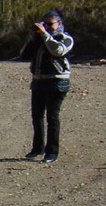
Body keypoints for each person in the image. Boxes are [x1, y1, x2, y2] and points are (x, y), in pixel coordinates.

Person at [22, 10, 73, 163]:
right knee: (36, 117)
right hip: (38, 81)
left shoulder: (65, 38)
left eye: (51, 24)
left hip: (57, 82)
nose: (48, 27)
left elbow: (57, 51)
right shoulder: (39, 39)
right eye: (45, 24)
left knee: (52, 117)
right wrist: (33, 38)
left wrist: (45, 35)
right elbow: (24, 55)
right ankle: (37, 148)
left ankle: (52, 152)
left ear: (60, 24)